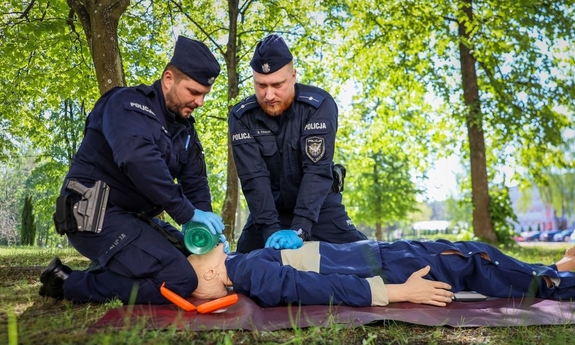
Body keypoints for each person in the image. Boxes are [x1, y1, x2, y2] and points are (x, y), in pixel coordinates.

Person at [39, 36, 226, 305]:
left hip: (134, 219)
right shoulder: (126, 104)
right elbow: (136, 158)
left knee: (193, 259)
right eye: (194, 92)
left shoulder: (185, 130)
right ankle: (67, 282)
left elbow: (195, 182)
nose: (200, 102)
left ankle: (110, 270)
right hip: (94, 215)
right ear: (169, 78)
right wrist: (185, 212)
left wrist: (207, 232)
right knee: (179, 279)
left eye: (204, 95)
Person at [228, 34, 367, 253]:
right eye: (261, 85)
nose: (269, 95)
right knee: (244, 266)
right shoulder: (241, 117)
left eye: (277, 84)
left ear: (293, 76)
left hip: (320, 209)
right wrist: (271, 231)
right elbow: (254, 178)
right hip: (268, 213)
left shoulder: (319, 106)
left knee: (365, 258)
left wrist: (300, 229)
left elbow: (316, 170)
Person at [188, 239, 575, 308]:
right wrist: (397, 293)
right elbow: (318, 287)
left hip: (380, 256)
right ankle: (557, 284)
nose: (209, 247)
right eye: (201, 256)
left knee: (473, 255)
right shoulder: (248, 270)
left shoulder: (242, 264)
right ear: (210, 278)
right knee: (474, 260)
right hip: (385, 266)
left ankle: (555, 269)